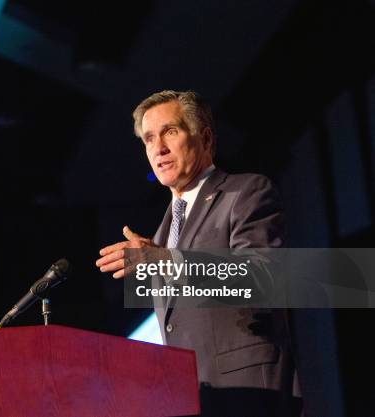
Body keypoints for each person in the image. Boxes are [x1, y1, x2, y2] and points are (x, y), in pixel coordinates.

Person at [95, 90, 301, 417]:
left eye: (170, 132)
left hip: (250, 396)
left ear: (205, 138)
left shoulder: (247, 192)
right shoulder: (163, 233)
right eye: (149, 139)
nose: (158, 148)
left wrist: (162, 260)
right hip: (191, 400)